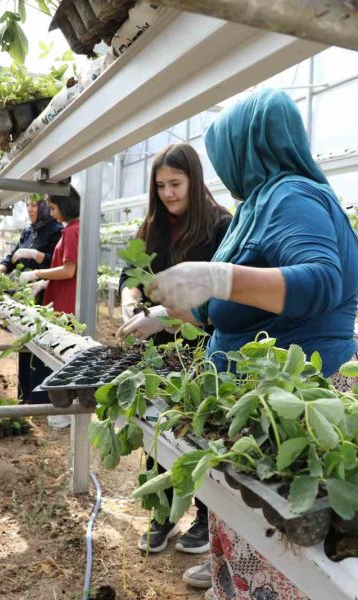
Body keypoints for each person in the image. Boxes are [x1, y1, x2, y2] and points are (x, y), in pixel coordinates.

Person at [145, 89, 358, 596]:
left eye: (225, 154)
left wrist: (218, 277)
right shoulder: (258, 203)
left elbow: (321, 280)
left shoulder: (292, 196)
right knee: (250, 531)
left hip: (296, 404)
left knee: (280, 544)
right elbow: (229, 309)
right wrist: (164, 314)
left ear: (249, 146)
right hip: (262, 401)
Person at [116, 143, 232, 554]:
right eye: (161, 185)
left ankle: (204, 516)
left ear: (193, 181)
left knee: (200, 433)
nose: (167, 193)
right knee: (158, 428)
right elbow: (130, 275)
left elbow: (221, 296)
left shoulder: (220, 226)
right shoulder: (152, 227)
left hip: (202, 349)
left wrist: (168, 314)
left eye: (175, 184)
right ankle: (162, 513)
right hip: (157, 350)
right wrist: (131, 300)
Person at [18, 187, 81, 428]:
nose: (51, 213)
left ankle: (65, 411)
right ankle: (63, 408)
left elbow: (69, 270)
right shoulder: (71, 229)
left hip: (67, 303)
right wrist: (45, 283)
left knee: (63, 355)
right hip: (62, 298)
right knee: (62, 354)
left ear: (65, 205)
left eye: (53, 208)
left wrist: (37, 274)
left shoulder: (73, 230)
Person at [0, 196, 63, 404]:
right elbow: (14, 255)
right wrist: (2, 267)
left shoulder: (56, 230)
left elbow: (58, 263)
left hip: (44, 296)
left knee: (40, 343)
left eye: (34, 205)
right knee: (23, 341)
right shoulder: (28, 231)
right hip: (25, 296)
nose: (29, 209)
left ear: (44, 207)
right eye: (28, 205)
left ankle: (38, 399)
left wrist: (36, 255)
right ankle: (24, 395)